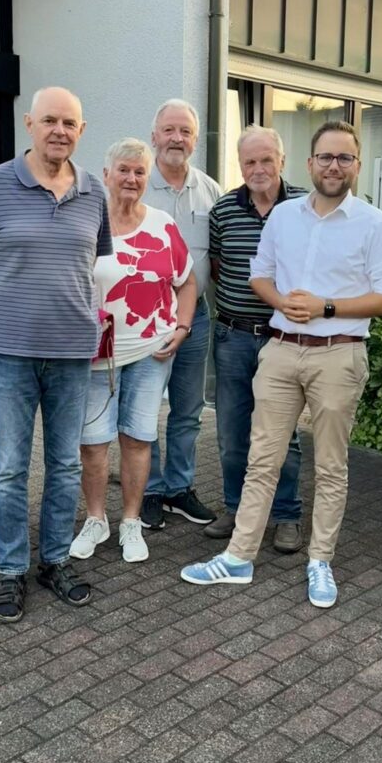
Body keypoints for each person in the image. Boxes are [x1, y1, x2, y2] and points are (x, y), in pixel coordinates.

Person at [181, 120, 382, 608]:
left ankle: (320, 561)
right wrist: (282, 301)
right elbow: (258, 274)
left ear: (356, 165)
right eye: (325, 157)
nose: (333, 166)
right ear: (310, 162)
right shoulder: (284, 217)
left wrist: (327, 307)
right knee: (262, 457)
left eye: (344, 157)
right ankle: (239, 557)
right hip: (281, 349)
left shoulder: (374, 223)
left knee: (331, 465)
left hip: (339, 352)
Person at [0, 87, 111, 624]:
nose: (59, 131)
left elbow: (87, 263)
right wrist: (9, 313)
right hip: (7, 352)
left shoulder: (93, 191)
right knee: (9, 467)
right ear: (29, 123)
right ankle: (10, 569)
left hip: (71, 351)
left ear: (81, 130)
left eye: (69, 123)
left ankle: (54, 561)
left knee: (66, 464)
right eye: (49, 120)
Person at [71, 138, 196, 564]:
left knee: (138, 437)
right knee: (93, 443)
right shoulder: (86, 222)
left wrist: (183, 326)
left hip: (150, 351)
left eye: (139, 171)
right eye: (123, 170)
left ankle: (130, 520)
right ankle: (95, 519)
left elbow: (187, 281)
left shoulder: (162, 225)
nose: (131, 178)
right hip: (95, 355)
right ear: (106, 175)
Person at [206, 125, 306, 553]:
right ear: (240, 164)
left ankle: (285, 515)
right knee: (231, 432)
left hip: (285, 338)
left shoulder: (306, 205)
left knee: (284, 434)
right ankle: (236, 508)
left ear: (282, 160)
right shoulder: (223, 210)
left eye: (267, 159)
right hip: (233, 336)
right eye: (250, 161)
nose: (259, 168)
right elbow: (217, 268)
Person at [141, 99, 222, 530]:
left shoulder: (210, 191)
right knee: (144, 409)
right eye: (169, 130)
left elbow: (220, 257)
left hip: (196, 317)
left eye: (185, 131)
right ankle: (149, 490)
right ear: (154, 135)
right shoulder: (136, 182)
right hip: (144, 318)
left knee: (188, 409)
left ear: (195, 139)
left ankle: (179, 488)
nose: (177, 138)